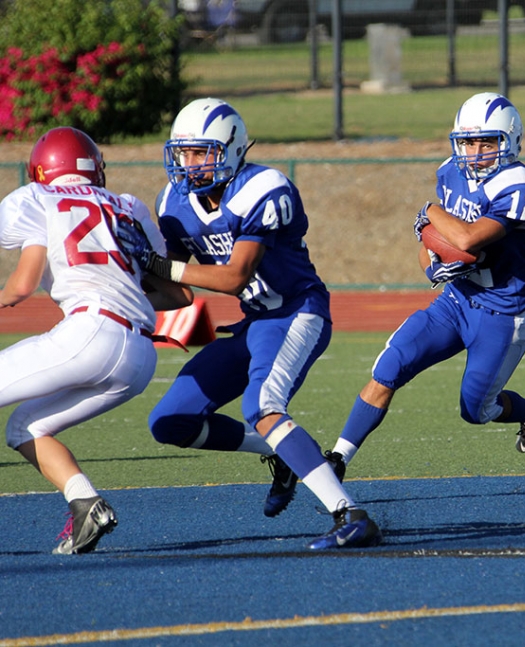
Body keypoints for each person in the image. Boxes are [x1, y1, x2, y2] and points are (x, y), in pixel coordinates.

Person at [117, 98, 381, 549]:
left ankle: (350, 514)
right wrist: (122, 291)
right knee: (170, 421)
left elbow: (233, 275)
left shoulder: (264, 188)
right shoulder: (173, 201)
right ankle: (285, 453)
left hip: (296, 312)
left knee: (263, 406)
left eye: (202, 152)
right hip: (255, 321)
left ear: (233, 149)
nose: (190, 164)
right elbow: (178, 292)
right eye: (183, 152)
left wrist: (158, 265)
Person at [325, 92, 525, 477]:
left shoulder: (521, 185)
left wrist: (428, 211)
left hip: (502, 314)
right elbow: (433, 240)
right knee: (391, 364)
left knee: (476, 411)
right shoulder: (450, 171)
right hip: (456, 300)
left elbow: (466, 238)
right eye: (468, 142)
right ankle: (336, 459)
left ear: (511, 141)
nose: (476, 151)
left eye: (488, 142)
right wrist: (431, 267)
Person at [0, 127, 193, 554]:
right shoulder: (129, 206)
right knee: (26, 427)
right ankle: (86, 504)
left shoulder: (37, 199)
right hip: (139, 355)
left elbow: (21, 285)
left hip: (90, 333)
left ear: (40, 170)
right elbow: (180, 294)